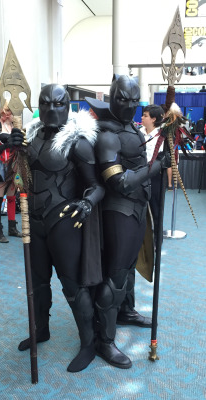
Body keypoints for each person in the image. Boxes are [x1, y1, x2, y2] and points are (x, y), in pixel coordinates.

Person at [15, 84, 105, 373]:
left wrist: (88, 202)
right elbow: (17, 175)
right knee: (37, 282)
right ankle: (41, 329)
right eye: (45, 104)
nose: (52, 109)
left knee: (72, 286)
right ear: (38, 106)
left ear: (68, 106)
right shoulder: (30, 137)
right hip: (35, 221)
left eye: (58, 104)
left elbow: (96, 185)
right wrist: (11, 146)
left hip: (64, 220)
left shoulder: (77, 142)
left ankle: (88, 344)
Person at [86, 75, 169, 369]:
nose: (130, 106)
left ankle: (125, 310)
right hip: (119, 210)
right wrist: (156, 167)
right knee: (116, 274)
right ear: (111, 97)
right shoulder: (108, 134)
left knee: (129, 269)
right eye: (123, 99)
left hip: (136, 208)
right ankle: (103, 341)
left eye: (135, 101)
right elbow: (119, 182)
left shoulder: (128, 128)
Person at [0, 104, 22, 243]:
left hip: (14, 165)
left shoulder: (15, 126)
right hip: (1, 165)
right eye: (6, 111)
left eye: (10, 112)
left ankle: (12, 227)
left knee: (12, 197)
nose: (7, 114)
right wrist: (8, 144)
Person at [140, 104, 164, 243]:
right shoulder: (138, 132)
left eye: (145, 116)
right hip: (139, 176)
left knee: (156, 210)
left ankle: (157, 242)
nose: (142, 118)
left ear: (154, 119)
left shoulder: (163, 136)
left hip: (155, 177)